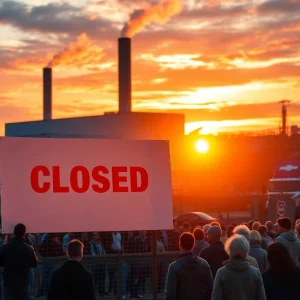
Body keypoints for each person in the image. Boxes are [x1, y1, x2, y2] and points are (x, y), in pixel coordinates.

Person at [212, 235, 266, 300]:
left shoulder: (221, 272)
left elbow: (216, 297)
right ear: (246, 250)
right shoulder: (255, 272)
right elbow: (262, 297)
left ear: (229, 250)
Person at [165, 232, 213, 300]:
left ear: (179, 245)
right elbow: (211, 287)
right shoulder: (204, 264)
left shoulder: (174, 267)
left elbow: (170, 294)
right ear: (193, 245)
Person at [0, 223, 38, 300]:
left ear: (14, 232)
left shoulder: (5, 247)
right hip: (23, 283)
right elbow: (34, 264)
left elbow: (1, 262)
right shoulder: (28, 249)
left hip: (9, 282)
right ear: (24, 233)